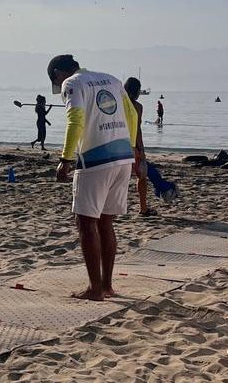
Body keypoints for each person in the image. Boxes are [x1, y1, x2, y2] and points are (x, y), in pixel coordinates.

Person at [49, 54, 138, 302]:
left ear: (58, 73)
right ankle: (107, 285)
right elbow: (132, 115)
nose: (58, 86)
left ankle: (95, 289)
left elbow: (75, 119)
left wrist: (66, 159)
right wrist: (130, 146)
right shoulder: (111, 79)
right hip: (122, 157)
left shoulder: (72, 84)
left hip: (95, 160)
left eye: (55, 81)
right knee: (106, 222)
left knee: (86, 223)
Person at [124, 77, 155, 217]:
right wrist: (140, 149)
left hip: (119, 144)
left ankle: (143, 208)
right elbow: (136, 129)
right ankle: (143, 208)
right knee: (141, 175)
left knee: (132, 176)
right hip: (131, 145)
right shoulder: (136, 107)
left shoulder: (119, 104)